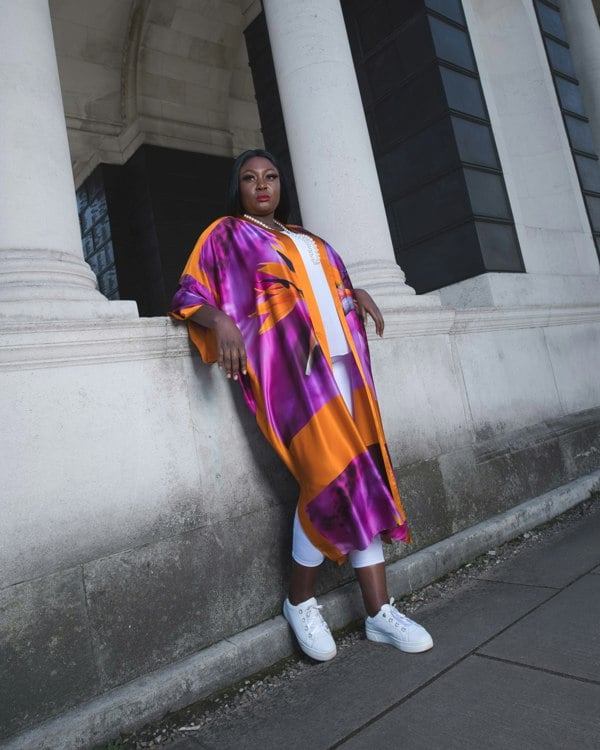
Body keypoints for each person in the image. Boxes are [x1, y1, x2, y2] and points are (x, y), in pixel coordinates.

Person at [170, 149, 433, 661]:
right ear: (238, 187)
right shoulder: (226, 234)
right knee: (328, 479)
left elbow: (321, 290)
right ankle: (300, 600)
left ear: (281, 185)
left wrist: (354, 291)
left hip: (347, 369)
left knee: (363, 476)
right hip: (296, 377)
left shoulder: (311, 240)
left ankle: (379, 613)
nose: (261, 185)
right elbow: (187, 292)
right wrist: (219, 321)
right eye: (249, 178)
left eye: (270, 177)